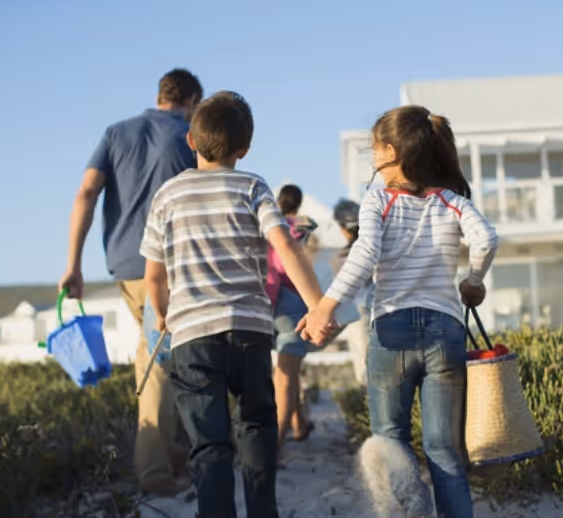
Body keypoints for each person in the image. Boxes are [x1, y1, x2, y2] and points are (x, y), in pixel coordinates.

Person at [301, 105, 499, 518]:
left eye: (373, 150)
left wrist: (325, 306)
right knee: (444, 450)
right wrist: (474, 281)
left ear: (390, 151)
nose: (372, 159)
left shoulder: (378, 200)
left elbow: (365, 254)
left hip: (392, 331)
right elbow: (486, 239)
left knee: (390, 440)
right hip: (444, 333)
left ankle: (413, 507)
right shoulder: (451, 200)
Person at [140, 91, 326, 517]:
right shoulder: (252, 186)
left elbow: (155, 273)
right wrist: (316, 305)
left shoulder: (167, 195)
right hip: (249, 329)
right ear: (245, 148)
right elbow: (286, 245)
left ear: (190, 141)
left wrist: (163, 312)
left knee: (209, 443)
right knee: (257, 426)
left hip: (193, 335)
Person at [58, 69, 203, 496]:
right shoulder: (191, 135)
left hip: (124, 265)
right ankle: (157, 475)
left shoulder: (116, 132)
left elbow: (86, 193)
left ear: (160, 96)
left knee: (165, 355)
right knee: (164, 359)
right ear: (192, 99)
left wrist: (73, 264)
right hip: (174, 264)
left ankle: (172, 459)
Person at [266, 185, 318, 453]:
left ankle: (298, 424)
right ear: (298, 204)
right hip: (292, 301)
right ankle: (276, 446)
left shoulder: (265, 224)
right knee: (287, 375)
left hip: (264, 296)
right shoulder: (302, 227)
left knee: (278, 374)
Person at [331, 199, 371, 387]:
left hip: (357, 313)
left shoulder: (342, 258)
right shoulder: (373, 246)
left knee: (364, 368)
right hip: (380, 309)